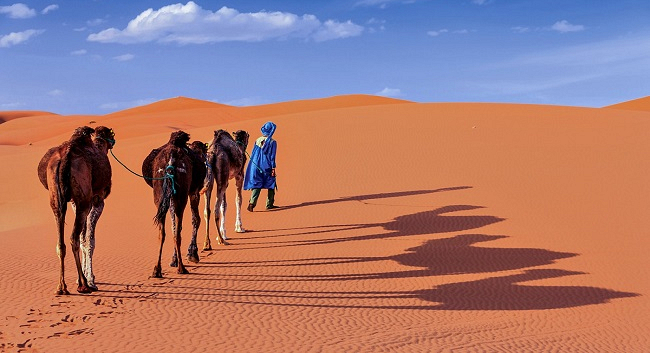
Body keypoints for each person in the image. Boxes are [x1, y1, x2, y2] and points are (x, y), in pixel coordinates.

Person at [244, 121, 278, 211]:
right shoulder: (272, 142)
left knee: (257, 184)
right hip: (266, 166)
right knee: (271, 183)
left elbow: (253, 153)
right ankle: (269, 204)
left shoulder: (257, 140)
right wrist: (273, 168)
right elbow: (272, 156)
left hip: (255, 165)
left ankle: (251, 203)